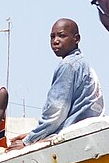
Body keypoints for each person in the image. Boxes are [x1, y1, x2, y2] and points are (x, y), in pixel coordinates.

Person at [10, 18, 103, 149]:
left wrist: (28, 141)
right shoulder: (82, 63)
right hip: (88, 133)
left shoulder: (68, 65)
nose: (55, 41)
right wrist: (33, 134)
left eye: (62, 36)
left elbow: (55, 112)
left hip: (73, 137)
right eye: (52, 37)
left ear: (76, 39)